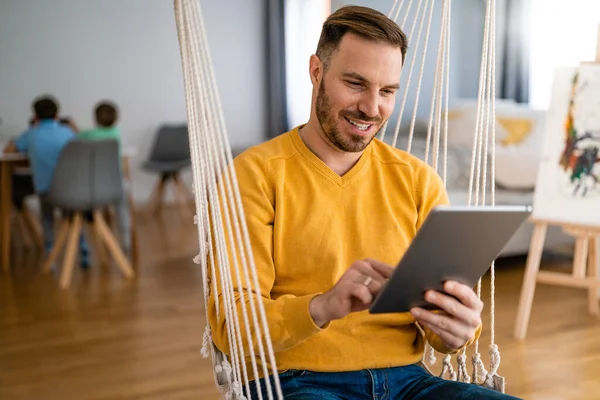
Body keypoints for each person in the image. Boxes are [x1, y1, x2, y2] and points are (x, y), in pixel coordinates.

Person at [207, 6, 521, 400]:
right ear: (316, 72)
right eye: (356, 84)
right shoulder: (253, 174)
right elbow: (231, 323)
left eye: (387, 91)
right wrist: (323, 306)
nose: (372, 109)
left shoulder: (417, 179)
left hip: (410, 381)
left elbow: (444, 331)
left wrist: (457, 330)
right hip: (295, 381)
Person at [4, 95, 89, 267]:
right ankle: (82, 246)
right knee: (73, 215)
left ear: (35, 116)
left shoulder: (30, 134)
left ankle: (50, 251)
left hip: (46, 191)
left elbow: (9, 150)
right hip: (71, 189)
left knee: (47, 216)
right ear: (57, 115)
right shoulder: (67, 133)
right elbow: (84, 143)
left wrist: (15, 139)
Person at [78, 101, 131, 253]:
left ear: (95, 118)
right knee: (122, 205)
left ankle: (88, 245)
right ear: (116, 118)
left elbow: (76, 135)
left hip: (94, 187)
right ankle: (126, 238)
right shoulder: (116, 134)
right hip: (116, 184)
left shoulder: (87, 135)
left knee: (84, 209)